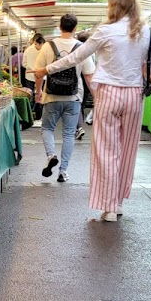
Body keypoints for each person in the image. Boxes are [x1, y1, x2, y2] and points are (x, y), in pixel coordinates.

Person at [35, 0, 151, 222]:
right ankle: (119, 201)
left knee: (106, 150)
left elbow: (76, 56)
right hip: (134, 95)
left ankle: (108, 206)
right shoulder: (148, 33)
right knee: (128, 150)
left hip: (109, 94)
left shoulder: (106, 31)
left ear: (113, 6)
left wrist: (47, 69)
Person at [35, 13, 96, 183]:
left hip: (51, 96)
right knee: (69, 134)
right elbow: (89, 76)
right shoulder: (81, 48)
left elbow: (39, 72)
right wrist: (97, 98)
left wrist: (38, 93)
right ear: (75, 28)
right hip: (74, 97)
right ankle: (63, 171)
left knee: (47, 128)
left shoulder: (48, 46)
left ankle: (51, 155)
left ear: (60, 26)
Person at [22, 34, 45, 121]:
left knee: (30, 95)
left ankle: (30, 116)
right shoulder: (44, 50)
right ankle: (39, 115)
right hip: (41, 76)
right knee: (40, 95)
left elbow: (24, 64)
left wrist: (31, 68)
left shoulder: (27, 50)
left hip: (30, 76)